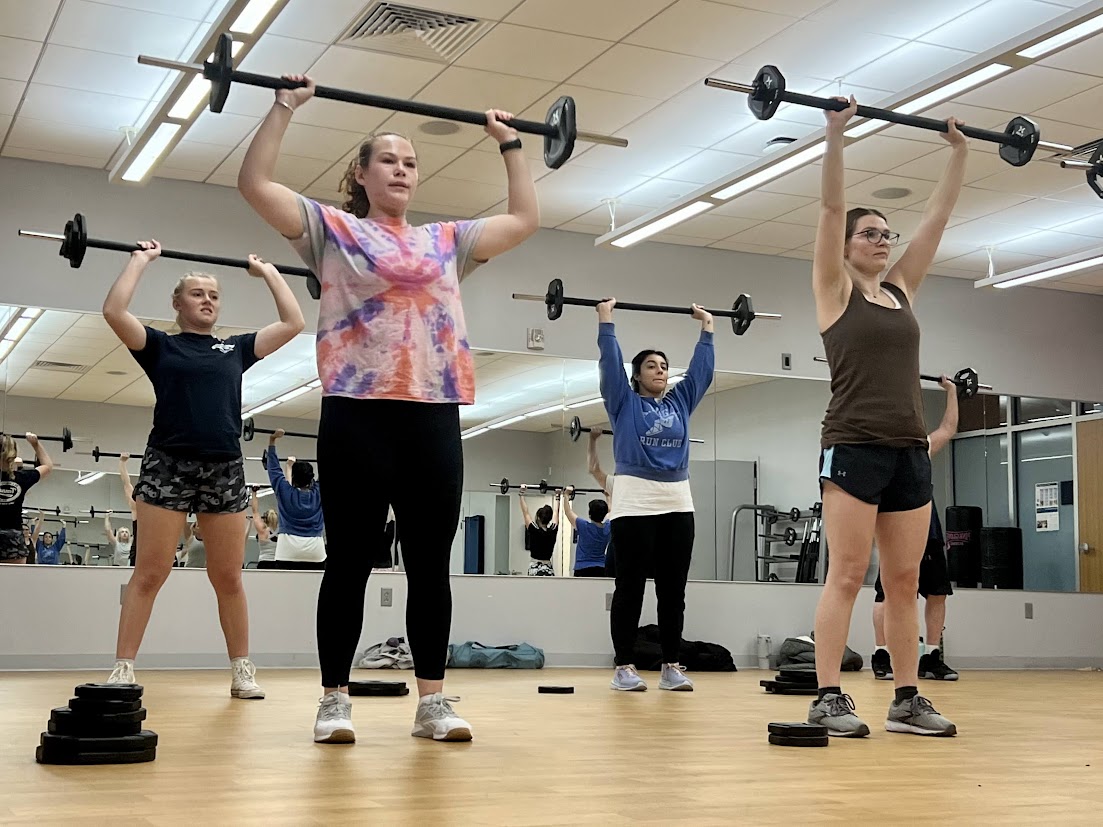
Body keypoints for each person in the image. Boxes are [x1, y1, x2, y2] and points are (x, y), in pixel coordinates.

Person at [238, 71, 539, 744]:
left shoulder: (444, 241)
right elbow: (255, 186)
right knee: (347, 559)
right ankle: (333, 699)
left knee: (430, 563)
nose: (402, 169)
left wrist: (510, 145)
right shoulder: (334, 231)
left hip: (432, 413)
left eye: (410, 162)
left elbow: (524, 221)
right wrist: (284, 107)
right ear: (361, 174)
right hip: (357, 412)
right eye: (389, 160)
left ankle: (432, 700)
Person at [808, 95, 966, 738]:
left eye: (884, 234)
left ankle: (906, 698)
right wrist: (837, 135)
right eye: (868, 233)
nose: (880, 240)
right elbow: (828, 208)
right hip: (852, 444)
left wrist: (958, 153)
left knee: (903, 580)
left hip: (908, 449)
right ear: (846, 246)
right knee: (847, 574)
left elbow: (938, 214)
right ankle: (827, 697)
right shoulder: (833, 288)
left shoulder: (900, 290)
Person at [101, 239, 305, 699]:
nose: (207, 300)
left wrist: (268, 271)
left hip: (224, 468)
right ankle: (123, 668)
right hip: (167, 465)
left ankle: (241, 670)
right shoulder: (158, 346)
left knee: (228, 577)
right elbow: (114, 311)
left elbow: (294, 322)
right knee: (149, 572)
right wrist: (140, 260)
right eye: (197, 293)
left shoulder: (233, 349)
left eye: (213, 294)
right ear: (177, 303)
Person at [597, 298, 714, 692]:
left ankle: (670, 665)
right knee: (630, 588)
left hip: (678, 502)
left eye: (664, 366)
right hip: (634, 502)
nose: (660, 371)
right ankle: (624, 667)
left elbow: (701, 374)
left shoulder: (680, 402)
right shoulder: (623, 402)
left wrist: (707, 330)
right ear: (636, 376)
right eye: (652, 366)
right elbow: (609, 367)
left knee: (673, 591)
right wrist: (606, 321)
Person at [872, 376, 960, 682]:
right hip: (894, 535)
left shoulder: (920, 448)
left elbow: (948, 429)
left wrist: (952, 392)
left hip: (928, 532)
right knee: (887, 595)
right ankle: (882, 654)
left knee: (937, 594)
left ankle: (931, 656)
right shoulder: (876, 454)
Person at [265, 431, 324, 566]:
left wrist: (272, 441)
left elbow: (273, 468)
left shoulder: (284, 491)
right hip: (315, 552)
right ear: (311, 478)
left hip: (287, 551)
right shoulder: (319, 493)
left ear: (294, 479)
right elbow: (328, 468)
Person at [0, 433, 52, 564]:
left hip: (13, 538)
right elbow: (48, 466)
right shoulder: (21, 478)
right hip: (13, 539)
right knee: (14, 583)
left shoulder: (22, 477)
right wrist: (35, 444)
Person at [563, 486, 610, 577]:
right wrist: (608, 496)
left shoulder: (583, 526)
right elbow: (610, 512)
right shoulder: (608, 528)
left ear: (590, 514)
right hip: (601, 569)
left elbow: (568, 511)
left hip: (582, 569)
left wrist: (566, 495)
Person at [587, 429, 616, 577]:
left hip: (622, 544)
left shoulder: (619, 483)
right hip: (646, 543)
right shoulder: (650, 482)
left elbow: (593, 468)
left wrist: (592, 440)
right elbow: (612, 511)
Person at [519, 486, 559, 576]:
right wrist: (558, 496)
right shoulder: (552, 531)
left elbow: (525, 512)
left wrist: (522, 493)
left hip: (534, 568)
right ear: (549, 519)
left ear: (538, 518)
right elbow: (556, 513)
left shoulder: (534, 529)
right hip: (548, 568)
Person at [118, 453, 139, 565]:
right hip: (138, 551)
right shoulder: (136, 509)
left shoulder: (156, 508)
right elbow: (127, 484)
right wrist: (122, 463)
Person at [250, 487, 279, 566]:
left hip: (264, 562)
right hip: (276, 564)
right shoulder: (281, 532)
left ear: (265, 519)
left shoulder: (262, 530)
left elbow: (255, 512)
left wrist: (254, 492)